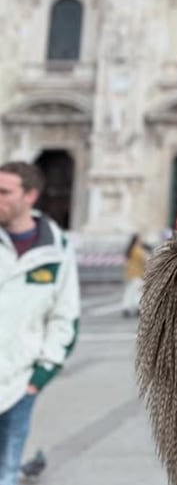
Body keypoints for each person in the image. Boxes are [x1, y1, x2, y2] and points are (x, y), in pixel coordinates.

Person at [0, 161, 80, 485]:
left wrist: (40, 375)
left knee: (7, 470)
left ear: (30, 196)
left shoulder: (57, 249)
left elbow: (65, 316)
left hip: (20, 383)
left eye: (5, 192)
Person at [121, 233, 148, 318]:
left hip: (130, 274)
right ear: (137, 240)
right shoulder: (138, 250)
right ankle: (138, 308)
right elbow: (146, 259)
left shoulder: (130, 250)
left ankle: (126, 307)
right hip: (137, 274)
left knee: (129, 292)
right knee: (138, 292)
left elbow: (126, 263)